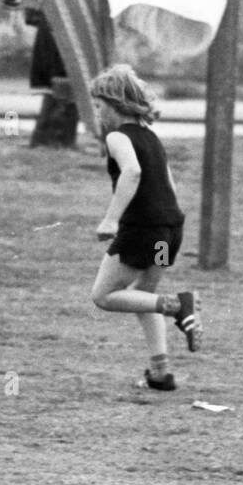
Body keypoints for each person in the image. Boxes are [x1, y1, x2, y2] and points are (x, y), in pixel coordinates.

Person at [88, 64, 202, 391]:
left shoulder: (117, 136)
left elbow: (132, 172)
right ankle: (161, 372)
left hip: (142, 231)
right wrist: (165, 223)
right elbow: (169, 184)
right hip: (168, 234)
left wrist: (111, 218)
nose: (97, 113)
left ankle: (179, 306)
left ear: (116, 104)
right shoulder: (152, 138)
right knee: (144, 296)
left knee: (104, 295)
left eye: (99, 106)